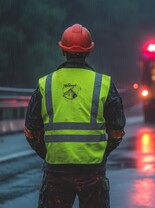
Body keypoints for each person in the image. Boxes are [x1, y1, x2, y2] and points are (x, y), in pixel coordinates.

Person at [24, 24, 126, 208]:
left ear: (63, 50)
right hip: (92, 171)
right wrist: (100, 154)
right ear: (89, 52)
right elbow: (117, 131)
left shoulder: (45, 84)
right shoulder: (103, 84)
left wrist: (48, 154)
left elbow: (31, 131)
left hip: (56, 171)